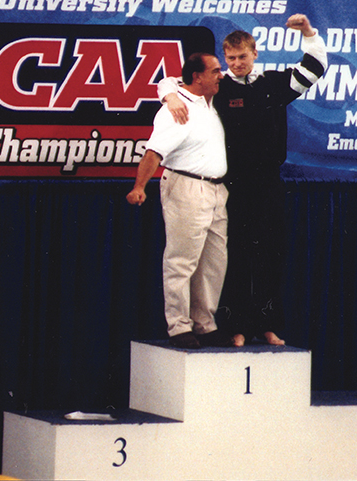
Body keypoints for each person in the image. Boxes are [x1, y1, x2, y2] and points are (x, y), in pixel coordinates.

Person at [159, 14, 327, 347]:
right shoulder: (217, 89)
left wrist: (308, 32)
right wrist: (170, 96)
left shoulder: (274, 84)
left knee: (269, 254)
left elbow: (315, 67)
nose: (236, 64)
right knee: (231, 257)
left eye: (242, 57)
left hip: (267, 185)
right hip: (231, 186)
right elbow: (171, 82)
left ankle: (267, 325)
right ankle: (237, 326)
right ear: (224, 59)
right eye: (231, 58)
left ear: (255, 55)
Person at [127, 52, 233, 349]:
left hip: (215, 190)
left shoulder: (208, 102)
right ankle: (178, 325)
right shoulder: (177, 110)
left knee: (214, 262)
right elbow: (154, 152)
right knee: (181, 261)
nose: (221, 75)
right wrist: (139, 187)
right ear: (197, 77)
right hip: (186, 186)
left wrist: (168, 92)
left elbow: (169, 80)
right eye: (215, 71)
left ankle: (205, 323)